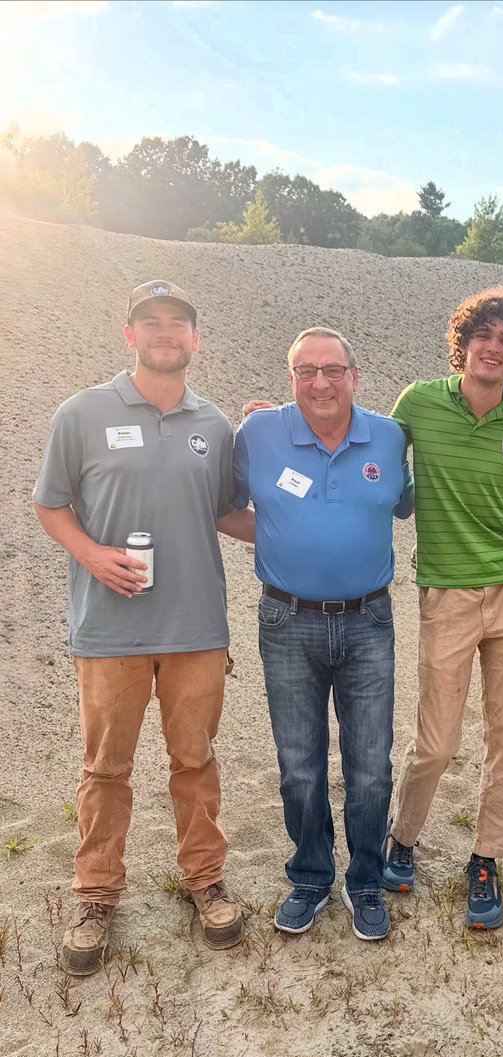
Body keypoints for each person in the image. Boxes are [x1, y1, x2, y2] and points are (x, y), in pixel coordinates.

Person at [33, 281, 246, 977]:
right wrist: (93, 555)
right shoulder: (82, 412)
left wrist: (314, 521)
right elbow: (51, 504)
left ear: (194, 339)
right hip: (109, 632)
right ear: (130, 336)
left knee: (196, 762)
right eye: (150, 322)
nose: (164, 332)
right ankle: (96, 893)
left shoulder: (213, 424)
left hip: (196, 630)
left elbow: (228, 513)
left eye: (177, 322)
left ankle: (206, 880)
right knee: (106, 769)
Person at [382, 288, 503, 930]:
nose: (493, 348)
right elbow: (364, 449)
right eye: (483, 335)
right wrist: (280, 421)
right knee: (436, 742)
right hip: (448, 592)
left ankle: (485, 860)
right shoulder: (418, 402)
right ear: (464, 343)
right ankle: (402, 837)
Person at [232, 328, 412, 941]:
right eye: (305, 371)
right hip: (287, 621)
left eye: (332, 370)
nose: (319, 383)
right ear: (291, 379)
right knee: (299, 765)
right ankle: (310, 875)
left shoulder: (389, 437)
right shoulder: (257, 433)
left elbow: (418, 501)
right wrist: (282, 538)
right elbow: (224, 505)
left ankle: (365, 880)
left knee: (369, 765)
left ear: (354, 376)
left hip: (369, 620)